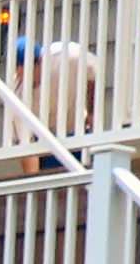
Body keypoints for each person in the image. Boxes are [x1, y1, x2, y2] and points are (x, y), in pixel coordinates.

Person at [10, 35, 98, 174]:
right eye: (19, 72)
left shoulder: (69, 56)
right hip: (47, 144)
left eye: (28, 71)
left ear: (40, 61)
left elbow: (93, 76)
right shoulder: (17, 97)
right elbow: (27, 146)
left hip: (78, 131)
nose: (23, 78)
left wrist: (91, 110)